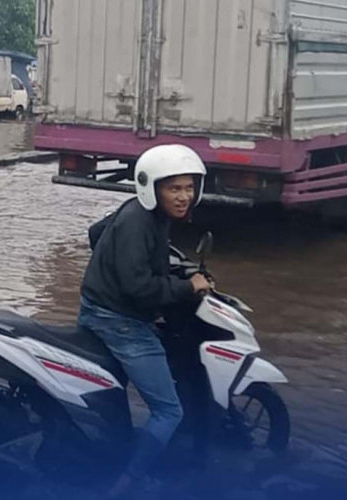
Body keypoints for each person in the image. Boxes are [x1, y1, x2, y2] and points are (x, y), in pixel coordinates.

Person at [77, 144, 212, 498]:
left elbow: (95, 233)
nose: (184, 196)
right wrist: (186, 286)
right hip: (119, 321)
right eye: (174, 188)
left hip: (99, 307)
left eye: (188, 187)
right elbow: (139, 289)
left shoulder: (142, 212)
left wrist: (137, 259)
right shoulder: (139, 221)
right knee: (169, 411)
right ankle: (129, 483)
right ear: (152, 187)